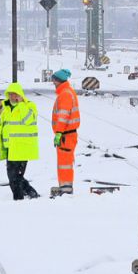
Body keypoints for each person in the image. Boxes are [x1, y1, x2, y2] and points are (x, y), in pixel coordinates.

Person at [0, 82, 41, 200]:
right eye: (10, 94)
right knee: (13, 176)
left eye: (15, 94)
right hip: (10, 148)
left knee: (15, 177)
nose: (13, 97)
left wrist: (21, 103)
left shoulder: (30, 106)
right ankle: (30, 192)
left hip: (23, 148)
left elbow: (28, 119)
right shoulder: (6, 110)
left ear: (20, 94)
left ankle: (18, 200)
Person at [49, 69, 80, 197]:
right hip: (66, 134)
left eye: (54, 80)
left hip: (66, 135)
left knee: (65, 163)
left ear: (58, 80)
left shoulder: (65, 94)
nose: (53, 83)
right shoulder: (66, 92)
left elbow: (63, 116)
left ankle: (66, 189)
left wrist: (58, 133)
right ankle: (65, 187)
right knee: (64, 162)